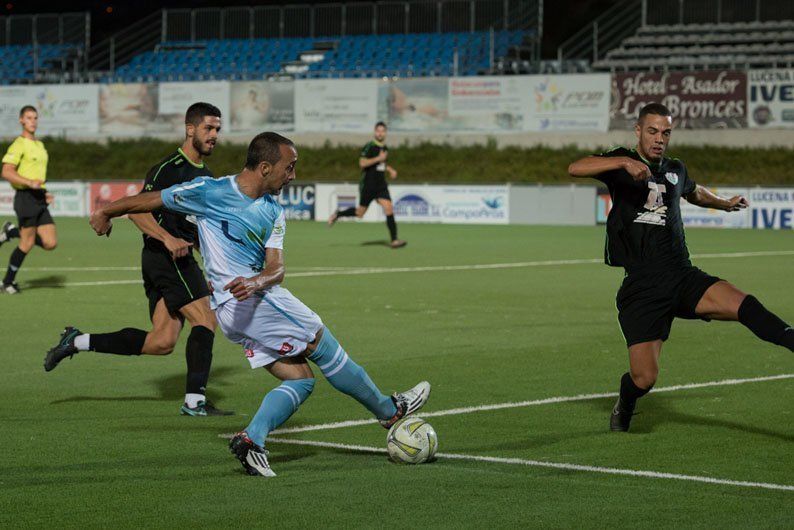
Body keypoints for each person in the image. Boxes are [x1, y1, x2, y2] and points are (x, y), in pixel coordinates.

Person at [85, 131, 431, 476]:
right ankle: (390, 411)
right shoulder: (211, 191)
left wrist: (257, 280)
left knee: (299, 379)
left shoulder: (272, 211)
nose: (292, 175)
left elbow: (277, 268)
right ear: (265, 167)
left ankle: (251, 441)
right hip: (249, 305)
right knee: (319, 342)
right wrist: (106, 211)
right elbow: (151, 199)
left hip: (243, 302)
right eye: (289, 167)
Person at [568, 102, 794, 432]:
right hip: (642, 287)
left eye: (666, 132)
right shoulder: (619, 161)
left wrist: (724, 203)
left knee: (743, 304)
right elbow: (575, 168)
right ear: (638, 131)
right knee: (644, 378)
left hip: (681, 274)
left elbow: (693, 192)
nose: (660, 138)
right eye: (653, 131)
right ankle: (627, 399)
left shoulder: (676, 168)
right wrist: (623, 162)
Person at [45, 102, 232, 417]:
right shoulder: (168, 169)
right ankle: (195, 402)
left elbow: (198, 229)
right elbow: (135, 211)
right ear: (190, 129)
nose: (214, 135)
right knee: (205, 319)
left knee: (162, 342)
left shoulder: (207, 177)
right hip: (165, 257)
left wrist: (213, 267)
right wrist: (167, 238)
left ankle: (77, 341)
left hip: (175, 259)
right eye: (208, 128)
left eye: (217, 129)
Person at [0, 105, 57, 294]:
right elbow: (6, 172)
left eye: (35, 117)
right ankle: (7, 282)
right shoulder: (19, 144)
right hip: (26, 198)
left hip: (39, 197)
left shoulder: (40, 145)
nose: (33, 121)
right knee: (27, 243)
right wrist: (29, 183)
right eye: (28, 118)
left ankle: (11, 231)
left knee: (50, 243)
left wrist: (44, 191)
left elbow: (37, 175)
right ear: (21, 120)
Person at [328, 121, 406, 249]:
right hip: (368, 185)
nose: (380, 133)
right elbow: (362, 163)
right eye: (378, 130)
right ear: (375, 132)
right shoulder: (370, 146)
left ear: (385, 133)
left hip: (381, 185)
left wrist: (390, 169)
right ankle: (338, 214)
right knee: (360, 213)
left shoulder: (385, 148)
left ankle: (394, 240)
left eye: (383, 131)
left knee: (389, 208)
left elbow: (382, 164)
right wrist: (378, 159)